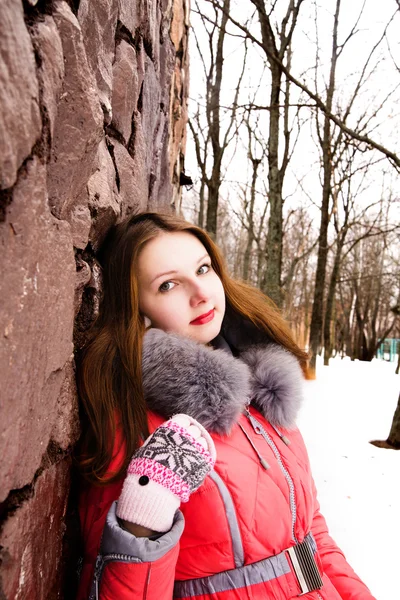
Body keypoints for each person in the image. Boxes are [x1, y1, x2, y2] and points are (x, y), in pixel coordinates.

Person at [76, 212, 376, 600]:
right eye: (168, 285)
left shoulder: (262, 392)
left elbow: (312, 534)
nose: (200, 293)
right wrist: (141, 523)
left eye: (203, 269)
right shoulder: (132, 422)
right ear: (137, 310)